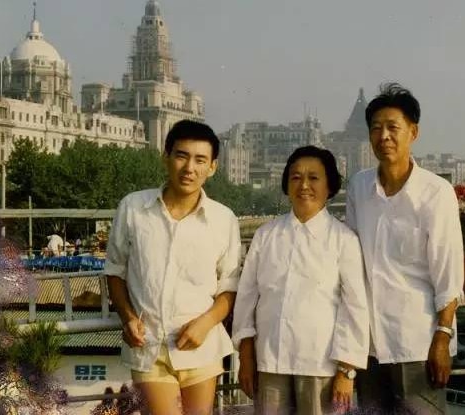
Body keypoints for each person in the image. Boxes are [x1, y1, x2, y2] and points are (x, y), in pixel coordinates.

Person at [105, 119, 241, 415]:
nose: (189, 168)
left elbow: (229, 287)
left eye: (200, 160)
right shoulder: (133, 208)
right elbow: (115, 272)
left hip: (200, 347)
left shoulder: (223, 219)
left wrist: (205, 324)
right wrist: (127, 317)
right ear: (165, 157)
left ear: (212, 167)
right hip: (148, 347)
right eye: (181, 156)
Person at [345, 83, 464, 414]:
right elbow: (351, 260)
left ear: (413, 132)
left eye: (393, 127)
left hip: (417, 341)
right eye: (376, 128)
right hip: (369, 344)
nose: (384, 136)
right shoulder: (359, 187)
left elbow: (448, 273)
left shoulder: (435, 193)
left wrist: (442, 338)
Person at [232, 145, 369, 415]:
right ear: (286, 185)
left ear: (329, 186)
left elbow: (355, 307)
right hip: (270, 361)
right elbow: (247, 298)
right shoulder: (266, 235)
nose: (304, 185)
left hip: (322, 367)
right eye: (296, 177)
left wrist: (346, 371)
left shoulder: (343, 240)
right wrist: (246, 356)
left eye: (314, 177)